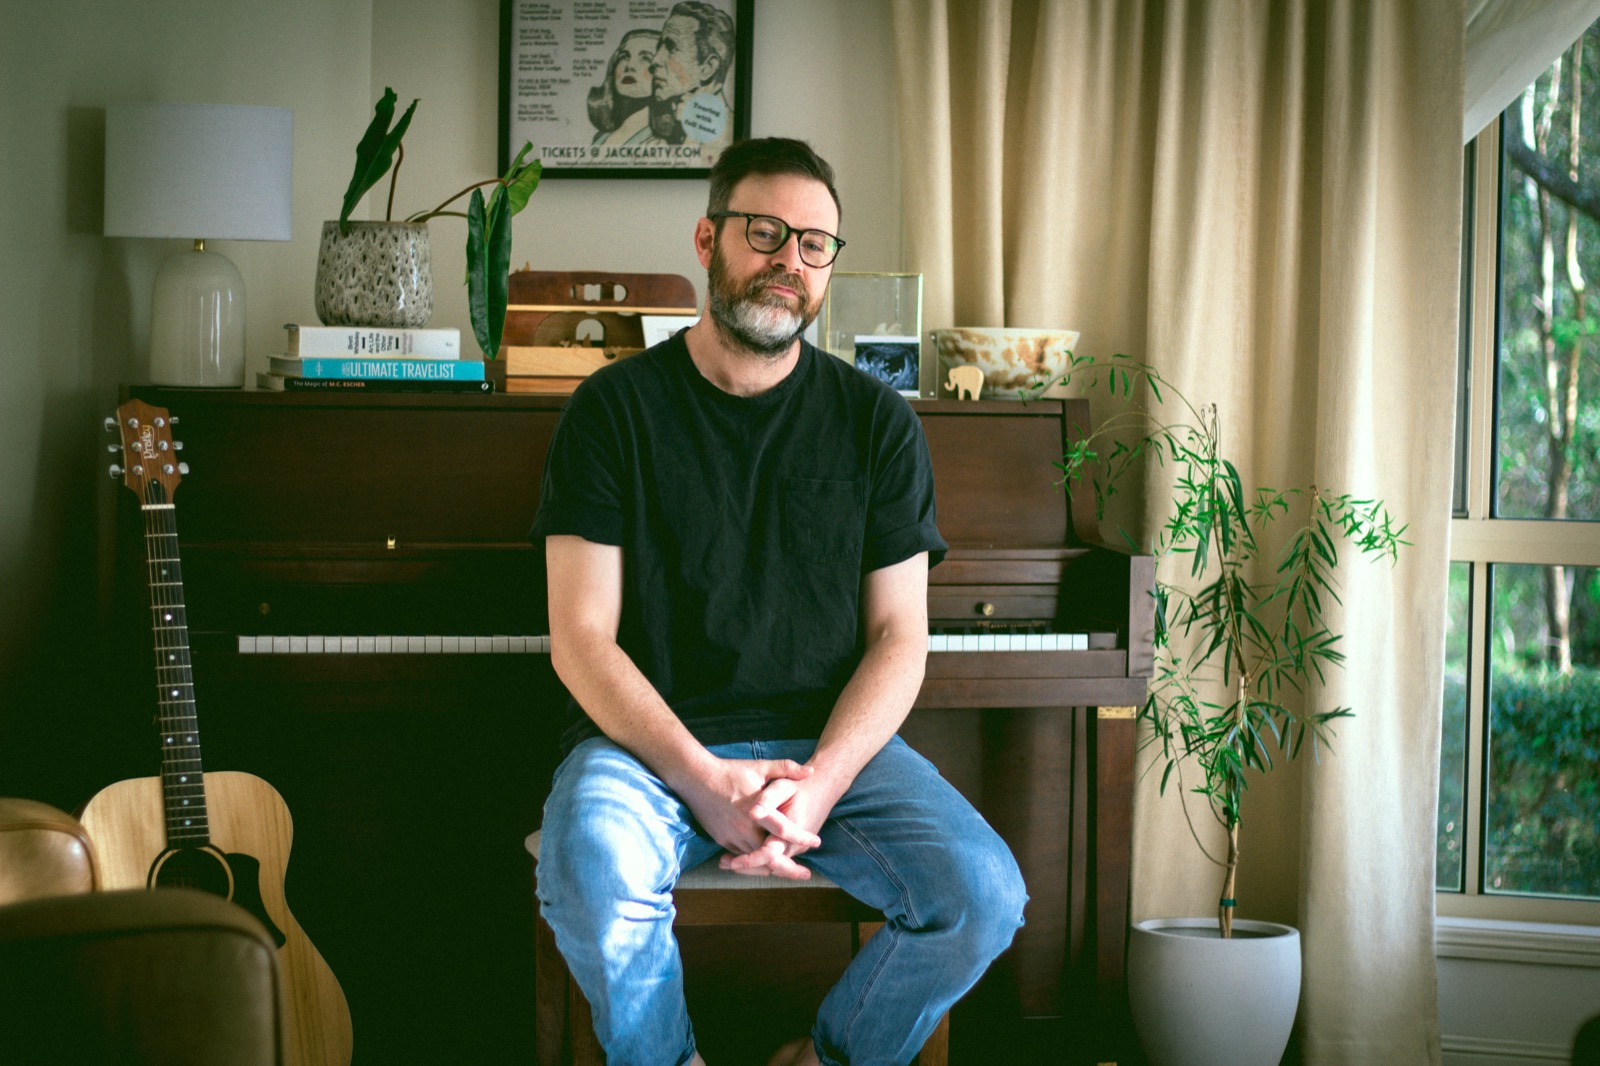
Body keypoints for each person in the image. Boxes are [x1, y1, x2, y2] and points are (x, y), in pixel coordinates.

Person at [529, 137, 1027, 1066]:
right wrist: (701, 781)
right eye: (764, 233)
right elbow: (581, 638)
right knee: (592, 872)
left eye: (814, 243)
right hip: (647, 748)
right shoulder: (611, 409)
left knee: (983, 894)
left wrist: (823, 783)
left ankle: (828, 1058)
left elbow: (898, 637)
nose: (788, 262)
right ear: (707, 238)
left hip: (827, 750)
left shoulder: (878, 422)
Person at [644, 1, 735, 156]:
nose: (655, 61)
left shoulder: (724, 143)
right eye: (659, 47)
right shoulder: (657, 142)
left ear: (707, 68)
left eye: (671, 47)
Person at [588, 28, 658, 146]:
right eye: (624, 56)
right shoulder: (601, 137)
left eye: (646, 58)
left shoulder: (660, 140)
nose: (629, 66)